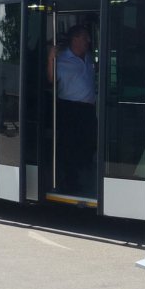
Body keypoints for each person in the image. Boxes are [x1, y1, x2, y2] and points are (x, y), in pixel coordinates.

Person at [48, 25, 97, 194]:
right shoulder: (61, 60)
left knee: (89, 143)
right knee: (70, 146)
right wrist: (50, 59)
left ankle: (81, 176)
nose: (88, 41)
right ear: (75, 39)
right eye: (85, 38)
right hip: (70, 109)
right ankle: (70, 181)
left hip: (88, 110)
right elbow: (51, 80)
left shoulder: (89, 58)